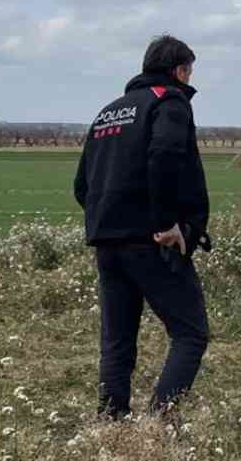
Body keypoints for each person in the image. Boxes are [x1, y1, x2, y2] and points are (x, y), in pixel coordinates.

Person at [73, 35, 213, 419]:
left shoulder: (109, 112)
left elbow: (82, 185)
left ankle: (112, 420)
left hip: (107, 242)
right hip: (154, 241)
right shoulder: (170, 103)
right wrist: (167, 223)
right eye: (190, 71)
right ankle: (160, 418)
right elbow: (165, 156)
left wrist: (111, 217)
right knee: (191, 333)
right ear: (179, 71)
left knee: (117, 341)